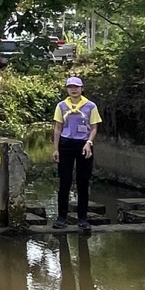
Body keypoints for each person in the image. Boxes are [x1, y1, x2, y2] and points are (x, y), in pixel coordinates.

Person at [53, 76, 101, 233]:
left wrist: (89, 142)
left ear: (82, 88)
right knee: (64, 182)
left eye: (77, 87)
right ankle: (61, 217)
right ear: (67, 89)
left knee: (83, 182)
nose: (74, 90)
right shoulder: (61, 106)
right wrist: (56, 149)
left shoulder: (90, 106)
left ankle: (82, 218)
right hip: (66, 145)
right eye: (70, 87)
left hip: (84, 145)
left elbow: (93, 128)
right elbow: (58, 128)